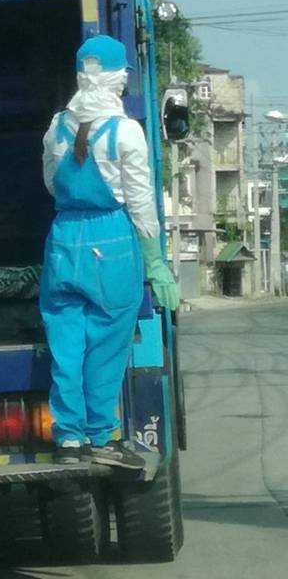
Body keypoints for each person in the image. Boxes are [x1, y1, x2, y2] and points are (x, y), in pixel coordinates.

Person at [40, 35, 180, 469]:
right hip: (111, 241)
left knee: (65, 340)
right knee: (106, 340)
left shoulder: (56, 126)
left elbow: (51, 184)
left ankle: (67, 437)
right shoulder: (127, 132)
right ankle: (101, 433)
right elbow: (140, 203)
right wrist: (155, 262)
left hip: (63, 239)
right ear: (120, 77)